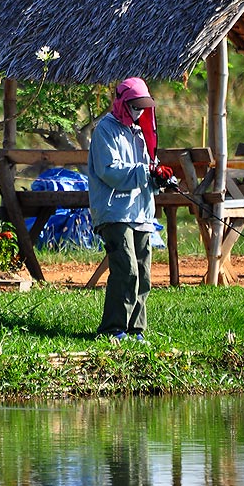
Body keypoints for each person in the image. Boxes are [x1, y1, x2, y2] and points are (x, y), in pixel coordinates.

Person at [87, 77, 173, 341]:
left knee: (143, 274)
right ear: (122, 102)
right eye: (135, 106)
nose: (139, 111)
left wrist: (159, 177)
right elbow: (109, 171)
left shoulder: (141, 133)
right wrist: (145, 172)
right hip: (115, 211)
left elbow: (148, 169)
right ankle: (113, 329)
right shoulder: (105, 130)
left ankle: (136, 330)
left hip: (141, 213)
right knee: (126, 270)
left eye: (143, 107)